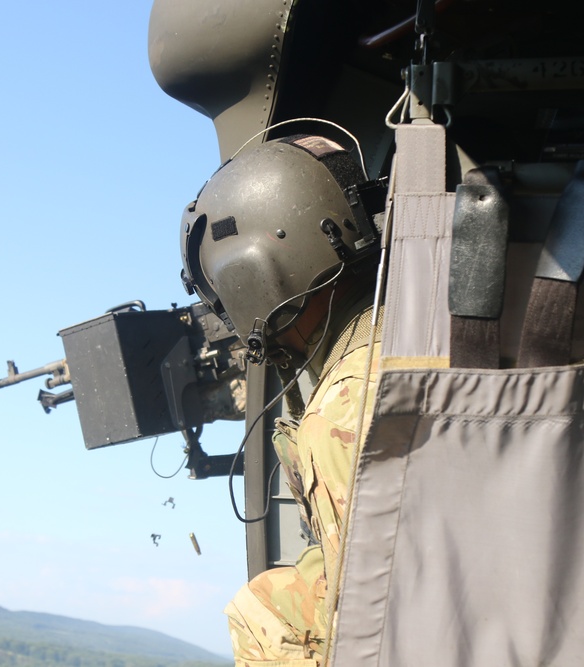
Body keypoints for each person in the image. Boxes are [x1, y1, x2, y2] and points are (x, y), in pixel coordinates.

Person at [179, 133, 382, 666]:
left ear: (256, 279)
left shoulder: (343, 408)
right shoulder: (414, 325)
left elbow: (375, 627)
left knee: (265, 613)